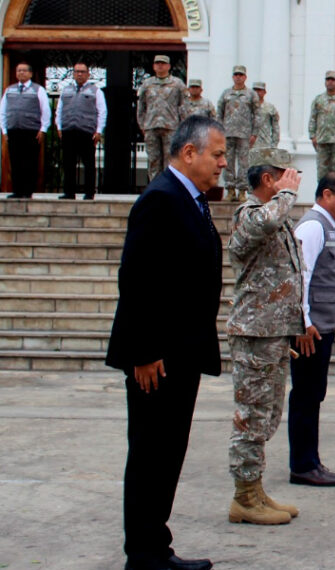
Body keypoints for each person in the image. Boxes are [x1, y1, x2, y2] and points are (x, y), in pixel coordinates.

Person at [105, 115, 225, 570]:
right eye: (216, 154)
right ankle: (143, 554)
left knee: (168, 452)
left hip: (182, 352)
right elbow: (136, 280)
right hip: (157, 358)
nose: (222, 164)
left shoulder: (190, 200)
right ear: (188, 152)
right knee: (152, 454)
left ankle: (157, 546)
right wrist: (144, 351)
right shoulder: (160, 199)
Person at [225, 148, 305, 526]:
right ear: (268, 179)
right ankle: (243, 497)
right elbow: (257, 229)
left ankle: (254, 489)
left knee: (268, 415)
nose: (293, 181)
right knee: (251, 417)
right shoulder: (250, 214)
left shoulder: (279, 217)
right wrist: (285, 197)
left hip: (274, 331)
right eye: (285, 175)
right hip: (255, 333)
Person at [289, 172, 335, 487]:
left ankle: (311, 460)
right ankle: (302, 465)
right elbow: (300, 274)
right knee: (305, 394)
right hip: (310, 331)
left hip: (322, 326)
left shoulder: (330, 226)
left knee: (313, 393)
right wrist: (303, 321)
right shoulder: (314, 226)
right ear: (327, 195)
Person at [55, 61, 106, 200]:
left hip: (87, 132)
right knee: (68, 163)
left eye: (82, 72)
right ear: (73, 74)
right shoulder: (66, 90)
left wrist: (99, 130)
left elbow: (102, 111)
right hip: (68, 131)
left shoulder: (96, 91)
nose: (79, 74)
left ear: (88, 74)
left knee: (89, 163)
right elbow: (59, 110)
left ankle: (89, 192)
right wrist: (59, 127)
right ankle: (69, 192)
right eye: (77, 71)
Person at [1, 62, 51, 199]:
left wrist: (43, 129)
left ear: (30, 73)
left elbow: (45, 110)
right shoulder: (9, 90)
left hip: (31, 131)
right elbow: (3, 111)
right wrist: (4, 130)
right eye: (18, 71)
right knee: (15, 161)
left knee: (30, 162)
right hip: (13, 130)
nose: (21, 73)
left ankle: (27, 191)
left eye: (24, 70)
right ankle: (17, 190)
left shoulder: (38, 89)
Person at [136, 55, 187, 182]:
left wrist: (183, 127)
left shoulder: (177, 84)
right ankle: (155, 187)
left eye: (163, 63)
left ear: (168, 66)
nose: (160, 66)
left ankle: (169, 186)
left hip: (171, 127)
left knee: (170, 160)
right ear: (153, 66)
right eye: (157, 63)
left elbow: (184, 106)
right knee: (153, 160)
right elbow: (141, 106)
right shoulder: (147, 84)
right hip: (151, 126)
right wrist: (142, 125)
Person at [217, 65, 259, 202]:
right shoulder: (226, 94)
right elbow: (220, 113)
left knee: (243, 163)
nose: (238, 77)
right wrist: (219, 131)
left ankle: (242, 190)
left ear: (245, 77)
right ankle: (230, 190)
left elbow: (257, 114)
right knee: (227, 162)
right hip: (227, 133)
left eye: (241, 75)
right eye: (236, 75)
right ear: (233, 77)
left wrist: (254, 133)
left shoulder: (251, 94)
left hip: (244, 133)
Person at [252, 82, 279, 149]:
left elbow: (275, 127)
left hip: (265, 145)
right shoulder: (247, 107)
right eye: (255, 90)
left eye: (259, 90)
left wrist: (274, 145)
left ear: (264, 92)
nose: (257, 92)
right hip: (249, 145)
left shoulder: (270, 108)